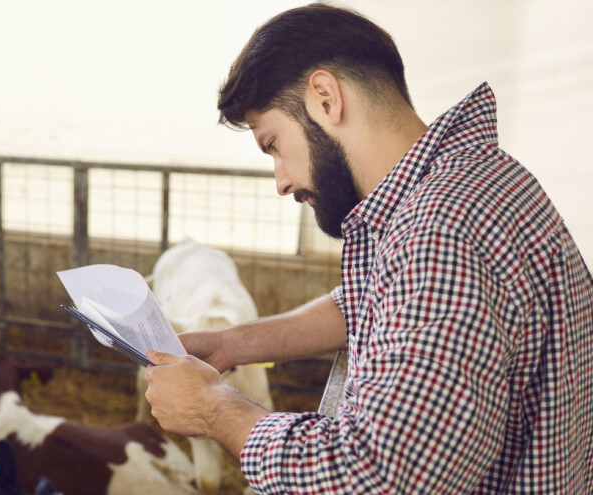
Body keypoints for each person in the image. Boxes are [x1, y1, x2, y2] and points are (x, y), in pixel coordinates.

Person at [142, 3, 593, 494]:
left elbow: (379, 475)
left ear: (325, 99)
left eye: (273, 144)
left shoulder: (439, 231)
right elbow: (379, 301)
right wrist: (235, 343)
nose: (282, 180)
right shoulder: (474, 181)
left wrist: (215, 410)